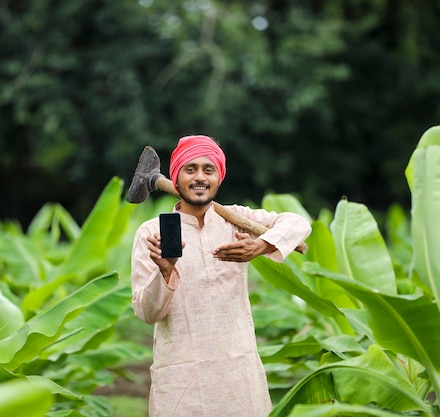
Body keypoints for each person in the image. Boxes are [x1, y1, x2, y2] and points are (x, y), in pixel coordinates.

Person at [130, 135, 312, 417]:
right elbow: (146, 312)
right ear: (176, 177)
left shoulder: (236, 219)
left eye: (208, 169)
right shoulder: (151, 233)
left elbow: (299, 224)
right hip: (180, 380)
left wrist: (259, 246)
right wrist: (165, 272)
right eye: (190, 169)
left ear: (219, 177)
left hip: (238, 374)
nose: (199, 177)